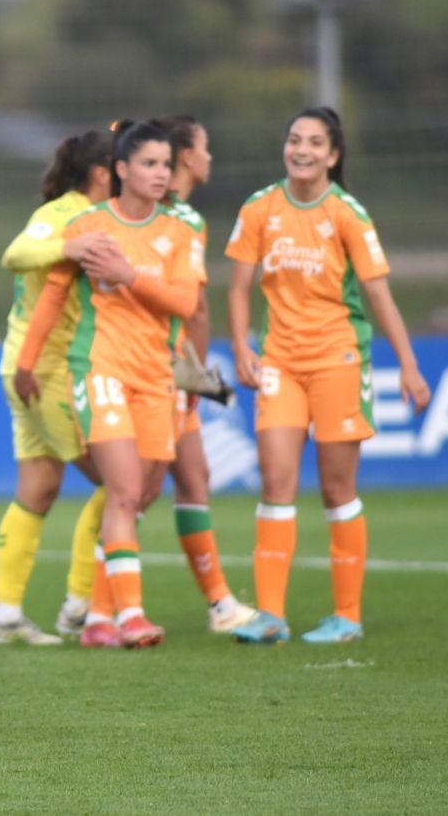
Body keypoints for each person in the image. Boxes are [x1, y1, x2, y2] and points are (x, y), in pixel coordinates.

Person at [225, 107, 430, 644]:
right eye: (295, 139)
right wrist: (242, 346)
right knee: (276, 481)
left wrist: (408, 365)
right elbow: (238, 287)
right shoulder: (259, 207)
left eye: (315, 143)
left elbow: (379, 294)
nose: (302, 150)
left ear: (333, 156)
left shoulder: (347, 213)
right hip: (279, 361)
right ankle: (270, 616)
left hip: (338, 359)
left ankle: (347, 617)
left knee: (337, 487)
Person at [14, 121, 203, 649]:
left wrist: (128, 275)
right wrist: (27, 363)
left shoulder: (180, 231)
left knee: (141, 494)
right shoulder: (91, 225)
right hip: (100, 369)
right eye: (148, 164)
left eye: (166, 164)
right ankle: (131, 616)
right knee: (123, 490)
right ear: (121, 169)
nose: (160, 174)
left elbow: (185, 303)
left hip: (156, 375)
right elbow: (53, 296)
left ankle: (98, 617)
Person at [0, 129, 117, 646]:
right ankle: (81, 606)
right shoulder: (65, 213)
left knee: (38, 489)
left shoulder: (87, 213)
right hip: (44, 371)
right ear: (103, 172)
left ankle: (5, 615)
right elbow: (14, 253)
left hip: (29, 366)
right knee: (120, 482)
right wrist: (70, 245)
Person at [140, 114, 257, 633]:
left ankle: (220, 604)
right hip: (156, 366)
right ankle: (96, 606)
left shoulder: (172, 214)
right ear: (188, 156)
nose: (210, 158)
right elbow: (196, 310)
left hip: (172, 364)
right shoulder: (177, 219)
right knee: (138, 490)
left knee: (193, 477)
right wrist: (195, 377)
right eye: (205, 147)